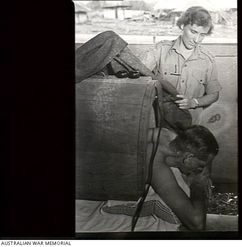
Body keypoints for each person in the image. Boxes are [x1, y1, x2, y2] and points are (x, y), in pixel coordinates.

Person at [76, 125, 219, 232]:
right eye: (201, 167)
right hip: (83, 197)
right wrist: (199, 183)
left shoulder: (165, 134)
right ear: (188, 158)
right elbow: (197, 223)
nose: (200, 171)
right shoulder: (155, 162)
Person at [143, 6, 222, 124]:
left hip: (192, 124)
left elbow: (214, 94)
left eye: (202, 35)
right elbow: (139, 72)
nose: (197, 40)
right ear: (182, 26)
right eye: (193, 32)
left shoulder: (207, 59)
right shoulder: (160, 50)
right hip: (164, 124)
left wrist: (194, 102)